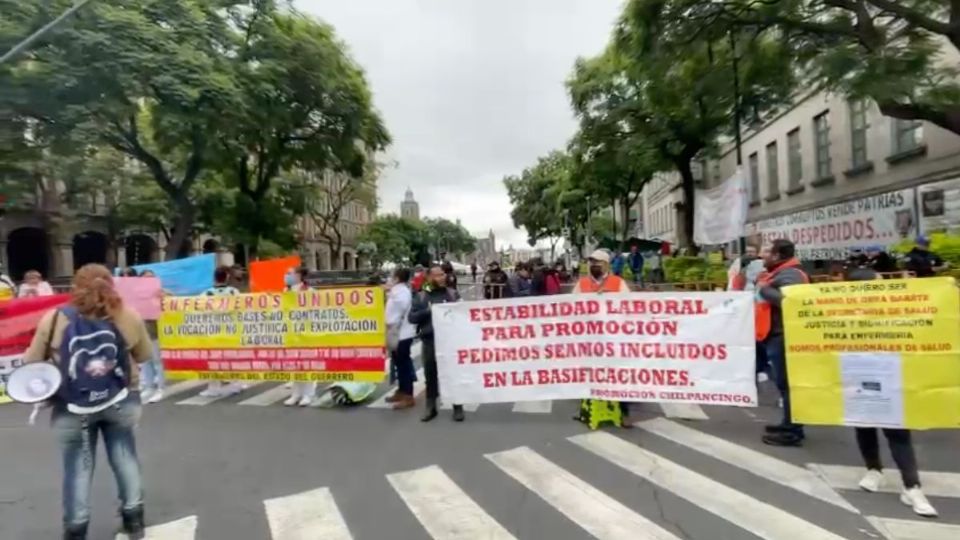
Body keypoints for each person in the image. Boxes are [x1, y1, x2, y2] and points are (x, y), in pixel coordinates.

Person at [23, 264, 154, 539]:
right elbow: (143, 356)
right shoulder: (127, 316)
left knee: (78, 467)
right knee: (124, 456)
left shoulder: (56, 319)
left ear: (76, 286)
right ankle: (134, 519)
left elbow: (32, 362)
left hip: (72, 405)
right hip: (121, 399)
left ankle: (76, 527)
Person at [842, 267, 937, 516]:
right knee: (863, 424)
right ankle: (874, 470)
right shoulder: (839, 310)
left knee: (896, 428)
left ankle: (912, 486)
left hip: (889, 371)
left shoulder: (894, 307)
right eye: (878, 281)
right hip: (857, 370)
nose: (884, 283)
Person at [757, 239, 810, 447]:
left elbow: (789, 302)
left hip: (785, 336)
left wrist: (764, 289)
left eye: (768, 252)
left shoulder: (791, 275)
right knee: (783, 384)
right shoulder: (782, 273)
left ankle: (792, 430)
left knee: (789, 385)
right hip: (777, 335)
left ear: (778, 256)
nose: (763, 256)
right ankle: (789, 423)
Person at [572, 250, 632, 426]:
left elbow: (629, 307)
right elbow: (570, 307)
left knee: (617, 375)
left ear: (606, 265)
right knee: (588, 375)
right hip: (588, 340)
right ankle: (586, 410)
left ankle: (623, 411)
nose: (593, 265)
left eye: (597, 262)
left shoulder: (617, 283)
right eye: (591, 262)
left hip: (612, 339)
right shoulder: (581, 284)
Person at [408, 264, 463, 422]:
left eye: (443, 274)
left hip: (449, 341)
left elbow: (463, 314)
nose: (443, 277)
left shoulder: (452, 294)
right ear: (430, 278)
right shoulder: (422, 296)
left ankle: (457, 406)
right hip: (430, 341)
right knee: (430, 376)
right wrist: (428, 311)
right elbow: (412, 318)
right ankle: (431, 407)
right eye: (438, 275)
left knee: (452, 374)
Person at [199, 266, 245, 398]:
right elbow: (241, 308)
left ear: (214, 278)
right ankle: (235, 384)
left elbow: (200, 310)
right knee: (232, 357)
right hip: (231, 329)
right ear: (228, 277)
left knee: (213, 359)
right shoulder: (234, 292)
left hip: (214, 330)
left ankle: (214, 387)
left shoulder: (206, 293)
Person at [384, 267, 417, 409]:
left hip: (402, 333)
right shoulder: (397, 291)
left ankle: (408, 395)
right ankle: (401, 390)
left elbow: (402, 307)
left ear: (397, 278)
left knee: (403, 364)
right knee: (398, 362)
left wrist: (391, 294)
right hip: (397, 332)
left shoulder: (401, 292)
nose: (390, 278)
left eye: (392, 276)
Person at [283, 267, 316, 406]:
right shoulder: (286, 291)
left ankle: (308, 394)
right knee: (294, 364)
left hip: (306, 332)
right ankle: (296, 394)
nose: (288, 276)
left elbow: (315, 310)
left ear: (300, 275)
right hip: (291, 332)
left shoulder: (309, 291)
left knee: (306, 364)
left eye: (292, 273)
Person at [138, 269, 165, 404]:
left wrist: (162, 298)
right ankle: (149, 387)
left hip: (156, 332)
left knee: (157, 361)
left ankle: (161, 388)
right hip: (142, 332)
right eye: (145, 278)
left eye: (151, 278)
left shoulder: (161, 293)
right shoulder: (137, 295)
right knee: (145, 361)